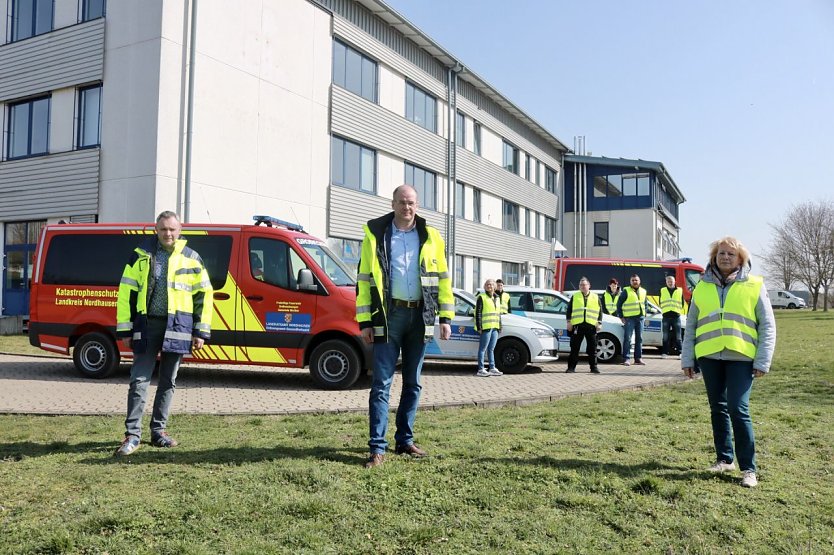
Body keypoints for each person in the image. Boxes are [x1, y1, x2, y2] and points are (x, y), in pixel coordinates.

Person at [356, 185, 454, 469]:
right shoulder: (375, 236)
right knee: (381, 384)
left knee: (413, 382)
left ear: (417, 205)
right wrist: (365, 321)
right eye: (401, 202)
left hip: (419, 318)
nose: (406, 207)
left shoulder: (432, 236)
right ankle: (377, 448)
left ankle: (404, 440)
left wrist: (445, 317)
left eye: (411, 203)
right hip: (389, 316)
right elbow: (363, 280)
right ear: (393, 203)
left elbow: (443, 279)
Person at [114, 211, 213, 456]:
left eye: (172, 229)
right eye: (163, 229)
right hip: (147, 326)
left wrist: (200, 330)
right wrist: (125, 327)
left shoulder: (192, 258)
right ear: (155, 230)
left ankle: (158, 432)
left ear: (180, 231)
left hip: (178, 326)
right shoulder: (140, 256)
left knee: (168, 381)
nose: (167, 234)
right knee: (139, 381)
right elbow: (126, 293)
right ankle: (132, 436)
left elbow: (204, 295)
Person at [682, 236, 775, 488]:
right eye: (721, 253)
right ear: (714, 257)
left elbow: (767, 326)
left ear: (741, 259)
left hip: (742, 358)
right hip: (710, 357)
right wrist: (687, 358)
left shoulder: (755, 285)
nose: (725, 257)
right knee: (718, 408)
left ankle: (748, 468)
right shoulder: (701, 286)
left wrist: (762, 360)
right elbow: (691, 326)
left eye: (731, 254)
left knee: (738, 408)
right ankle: (725, 459)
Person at [566, 277, 602, 373]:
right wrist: (569, 322)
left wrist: (599, 323)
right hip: (578, 326)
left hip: (591, 326)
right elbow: (569, 310)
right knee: (574, 348)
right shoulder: (575, 296)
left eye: (584, 285)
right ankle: (571, 368)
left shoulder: (595, 297)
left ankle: (594, 368)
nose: (582, 286)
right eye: (580, 285)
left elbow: (600, 311)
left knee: (592, 349)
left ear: (589, 286)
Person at [616, 273, 647, 366]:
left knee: (639, 339)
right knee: (628, 339)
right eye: (633, 280)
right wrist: (621, 316)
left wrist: (644, 314)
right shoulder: (626, 291)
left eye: (636, 280)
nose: (635, 282)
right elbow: (619, 304)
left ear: (639, 281)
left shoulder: (643, 291)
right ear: (630, 281)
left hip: (640, 318)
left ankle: (638, 358)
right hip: (629, 319)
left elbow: (645, 304)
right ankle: (626, 358)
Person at [474, 279, 503, 377]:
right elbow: (477, 313)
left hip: (494, 327)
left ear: (494, 287)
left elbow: (498, 313)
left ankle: (492, 368)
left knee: (491, 349)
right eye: (487, 284)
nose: (489, 286)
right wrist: (479, 326)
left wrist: (500, 325)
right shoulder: (481, 297)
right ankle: (481, 369)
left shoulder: (497, 298)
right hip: (485, 327)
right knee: (482, 349)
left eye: (491, 284)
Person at [660, 274, 686, 358]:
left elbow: (682, 303)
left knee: (678, 336)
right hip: (666, 316)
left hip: (676, 316)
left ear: (675, 282)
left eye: (671, 281)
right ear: (666, 282)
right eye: (668, 281)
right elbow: (660, 302)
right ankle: (664, 353)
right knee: (665, 336)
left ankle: (680, 352)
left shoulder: (679, 290)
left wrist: (677, 310)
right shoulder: (662, 290)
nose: (670, 283)